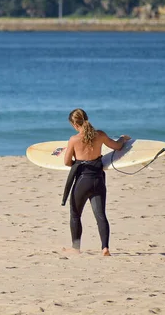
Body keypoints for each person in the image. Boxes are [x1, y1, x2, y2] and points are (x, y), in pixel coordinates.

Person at [62, 109, 130, 257]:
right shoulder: (100, 135)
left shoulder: (74, 139)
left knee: (75, 215)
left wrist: (78, 163)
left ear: (74, 124)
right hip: (98, 179)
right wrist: (123, 139)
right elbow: (117, 146)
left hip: (82, 180)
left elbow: (67, 162)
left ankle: (75, 248)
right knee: (100, 215)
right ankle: (105, 248)